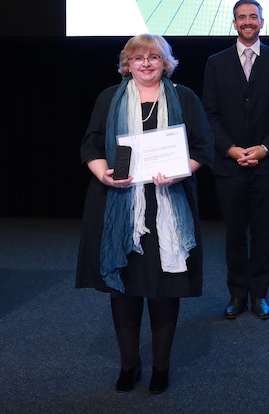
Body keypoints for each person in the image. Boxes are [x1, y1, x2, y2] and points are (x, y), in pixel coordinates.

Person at [74, 34, 213, 395]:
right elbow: (90, 143)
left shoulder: (184, 97)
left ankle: (161, 368)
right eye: (138, 58)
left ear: (165, 62)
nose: (146, 63)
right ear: (127, 64)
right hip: (118, 204)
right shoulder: (109, 97)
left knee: (165, 289)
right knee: (125, 290)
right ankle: (129, 366)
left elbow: (203, 147)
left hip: (167, 203)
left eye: (154, 57)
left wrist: (182, 169)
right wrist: (103, 172)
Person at [202, 0, 269, 321]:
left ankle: (259, 295)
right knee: (234, 234)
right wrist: (229, 149)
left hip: (268, 165)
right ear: (234, 23)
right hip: (228, 165)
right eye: (241, 17)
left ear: (262, 22)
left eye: (252, 17)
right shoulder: (216, 62)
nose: (247, 22)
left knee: (262, 233)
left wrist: (263, 148)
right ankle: (237, 294)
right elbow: (209, 114)